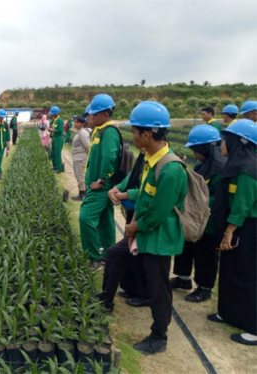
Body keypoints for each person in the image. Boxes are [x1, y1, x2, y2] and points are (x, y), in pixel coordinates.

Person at [123, 101, 188, 355]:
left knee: (160, 287)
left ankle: (159, 336)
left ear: (147, 134)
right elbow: (146, 194)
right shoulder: (152, 158)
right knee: (127, 262)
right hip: (148, 234)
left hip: (158, 237)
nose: (133, 136)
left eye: (134, 131)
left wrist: (133, 228)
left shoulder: (171, 169)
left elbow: (159, 214)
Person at [208, 119, 257, 346]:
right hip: (235, 226)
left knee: (247, 275)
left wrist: (229, 231)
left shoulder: (248, 169)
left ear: (239, 142)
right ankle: (229, 313)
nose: (221, 144)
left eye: (225, 140)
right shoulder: (235, 164)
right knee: (229, 271)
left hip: (246, 229)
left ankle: (253, 327)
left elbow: (242, 205)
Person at [170, 125, 226, 302]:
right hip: (194, 216)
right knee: (186, 246)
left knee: (205, 253)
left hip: (209, 220)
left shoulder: (220, 169)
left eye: (196, 150)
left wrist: (200, 202)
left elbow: (219, 197)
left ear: (206, 148)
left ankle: (205, 287)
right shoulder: (204, 164)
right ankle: (183, 278)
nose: (195, 154)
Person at [99, 149, 149, 313]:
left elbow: (146, 191)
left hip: (146, 221)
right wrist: (116, 188)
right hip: (135, 216)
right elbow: (133, 177)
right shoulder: (146, 156)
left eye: (136, 132)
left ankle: (142, 294)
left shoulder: (163, 163)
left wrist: (124, 195)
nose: (133, 138)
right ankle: (129, 290)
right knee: (128, 254)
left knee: (125, 253)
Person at [79, 94, 120, 271]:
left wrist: (102, 180)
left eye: (94, 114)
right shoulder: (99, 130)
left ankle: (93, 257)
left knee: (85, 217)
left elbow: (110, 156)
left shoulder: (109, 131)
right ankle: (109, 254)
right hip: (97, 184)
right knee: (105, 221)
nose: (91, 117)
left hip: (101, 186)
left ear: (105, 114)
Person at [71, 116, 91, 200]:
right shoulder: (79, 132)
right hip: (77, 157)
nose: (75, 124)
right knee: (78, 175)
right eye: (75, 122)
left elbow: (88, 146)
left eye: (77, 122)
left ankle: (82, 194)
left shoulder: (83, 133)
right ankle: (81, 192)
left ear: (82, 124)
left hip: (81, 158)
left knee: (80, 176)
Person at [48, 106, 64, 173]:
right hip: (54, 138)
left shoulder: (60, 121)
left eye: (52, 114)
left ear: (56, 113)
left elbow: (60, 130)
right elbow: (51, 127)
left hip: (59, 138)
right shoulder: (53, 121)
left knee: (57, 153)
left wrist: (52, 130)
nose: (51, 115)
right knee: (53, 153)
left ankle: (59, 168)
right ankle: (55, 167)